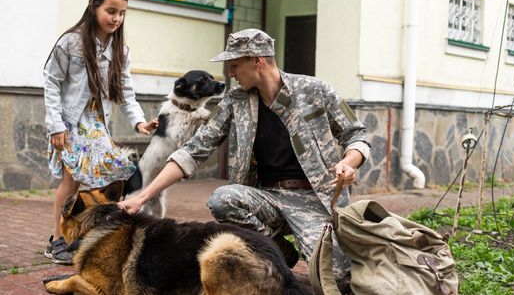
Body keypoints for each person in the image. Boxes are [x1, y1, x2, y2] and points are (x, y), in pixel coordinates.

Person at [118, 28, 370, 292]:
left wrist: (348, 163)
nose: (231, 74)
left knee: (337, 280)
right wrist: (142, 197)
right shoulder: (235, 101)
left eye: (235, 65)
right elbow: (194, 149)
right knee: (223, 199)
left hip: (313, 198)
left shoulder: (314, 90)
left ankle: (309, 249)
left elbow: (357, 134)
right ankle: (280, 250)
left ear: (257, 60)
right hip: (266, 197)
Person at [43, 0, 158, 265]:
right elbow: (51, 82)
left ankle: (84, 232)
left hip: (97, 126)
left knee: (115, 174)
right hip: (71, 124)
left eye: (121, 14)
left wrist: (139, 122)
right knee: (71, 181)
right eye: (110, 11)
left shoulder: (120, 50)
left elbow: (126, 92)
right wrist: (55, 125)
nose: (116, 19)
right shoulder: (70, 42)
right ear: (94, 6)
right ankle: (56, 240)